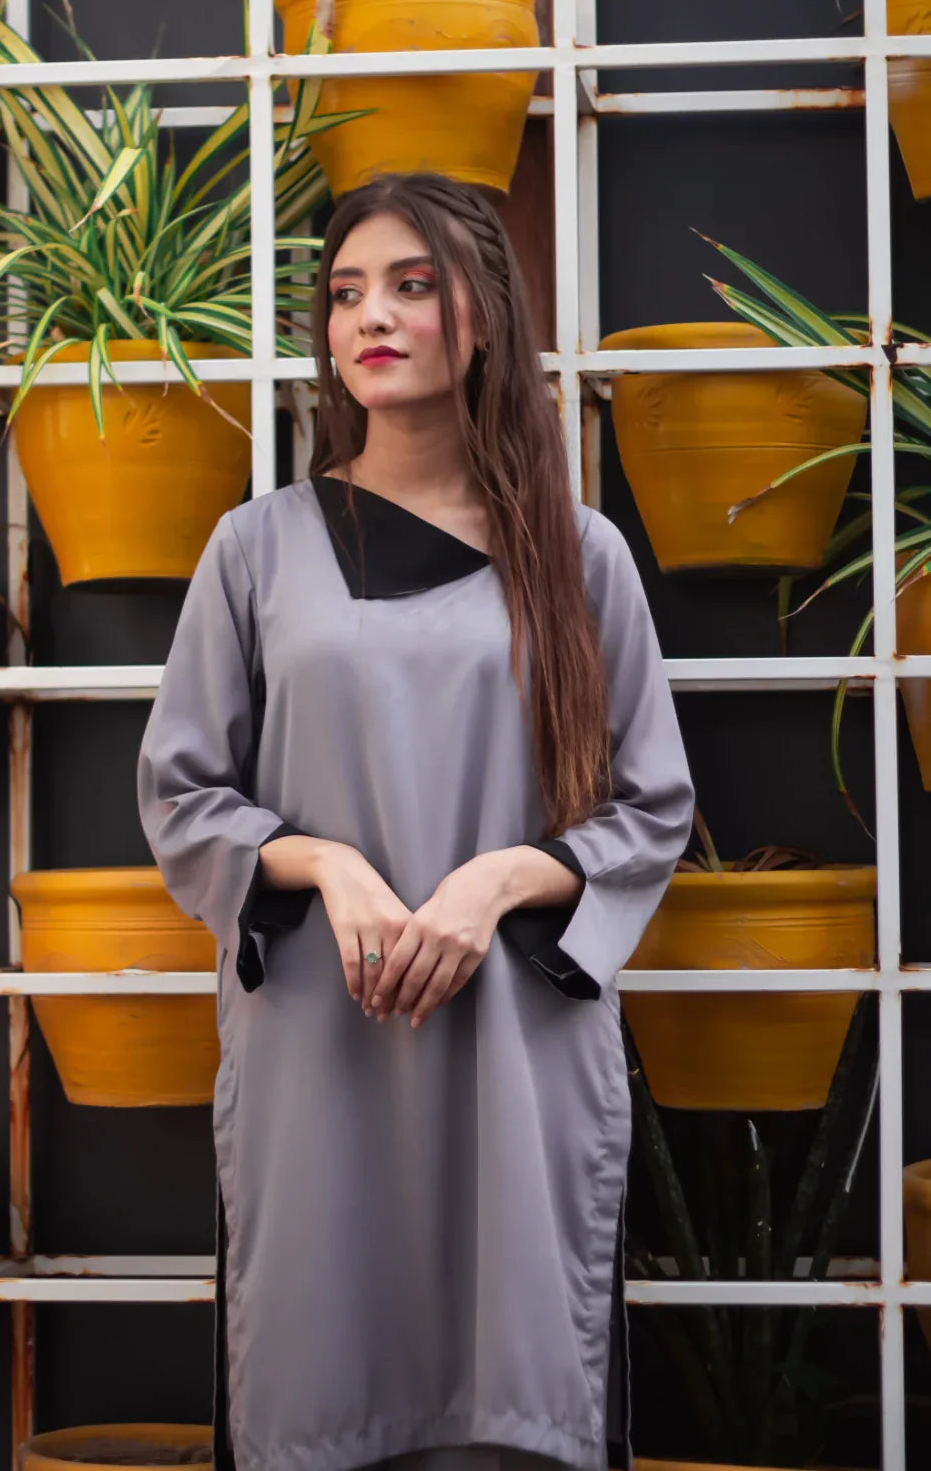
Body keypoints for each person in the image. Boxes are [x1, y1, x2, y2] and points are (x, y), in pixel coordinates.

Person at [135, 172, 695, 1471]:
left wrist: (498, 878)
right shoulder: (256, 550)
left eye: (409, 283)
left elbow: (650, 805)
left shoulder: (578, 555)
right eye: (343, 292)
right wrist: (324, 862)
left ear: (483, 317)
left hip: (514, 1063)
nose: (368, 315)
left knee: (511, 1398)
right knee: (316, 1393)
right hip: (318, 1061)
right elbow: (179, 793)